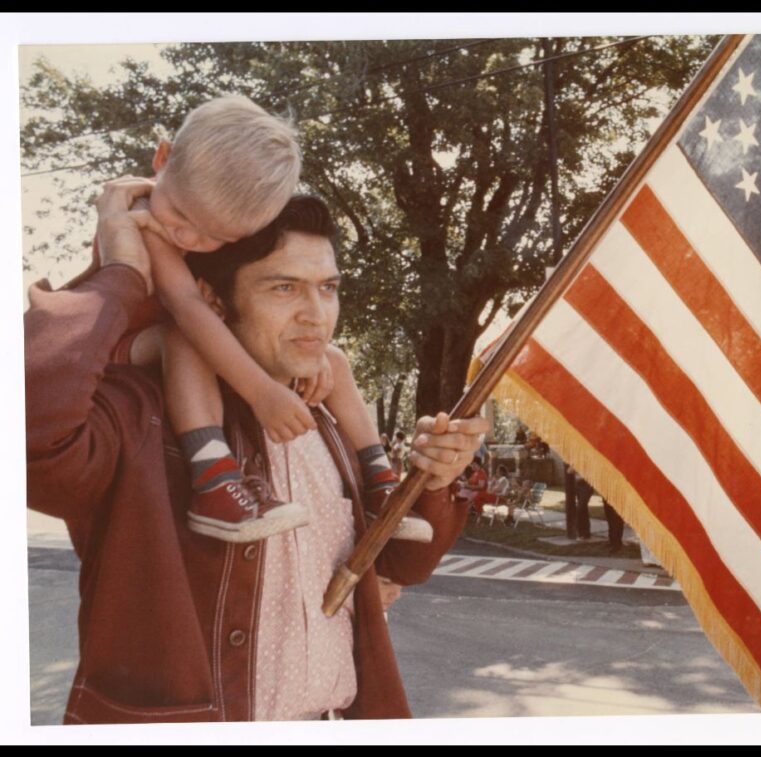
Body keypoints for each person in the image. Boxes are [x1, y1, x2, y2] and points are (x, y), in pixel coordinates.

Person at [25, 188, 489, 723]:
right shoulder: (142, 412)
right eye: (284, 288)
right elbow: (30, 440)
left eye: (328, 288)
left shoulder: (328, 415)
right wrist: (123, 274)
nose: (316, 315)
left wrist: (432, 481)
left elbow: (406, 563)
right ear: (213, 300)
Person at [103, 94, 397, 545]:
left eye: (216, 237)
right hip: (121, 344)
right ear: (162, 157)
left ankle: (378, 476)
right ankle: (215, 478)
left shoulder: (190, 207)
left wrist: (306, 354)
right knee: (184, 337)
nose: (187, 237)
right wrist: (262, 392)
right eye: (182, 216)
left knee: (333, 359)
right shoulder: (143, 218)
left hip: (182, 335)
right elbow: (189, 309)